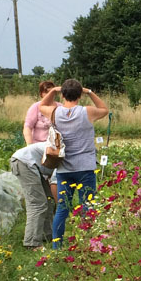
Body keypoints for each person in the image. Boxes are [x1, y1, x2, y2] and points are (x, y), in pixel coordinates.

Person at [38, 80, 109, 248]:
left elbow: (42, 105)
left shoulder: (55, 113)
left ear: (62, 95)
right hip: (85, 167)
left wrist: (53, 91)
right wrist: (90, 92)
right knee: (87, 206)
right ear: (79, 95)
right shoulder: (87, 112)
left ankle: (57, 246)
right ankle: (89, 243)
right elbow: (105, 109)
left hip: (64, 168)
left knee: (62, 208)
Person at [9, 141, 55, 249]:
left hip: (34, 165)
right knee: (37, 204)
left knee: (49, 200)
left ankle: (48, 236)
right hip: (24, 162)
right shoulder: (67, 157)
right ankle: (32, 243)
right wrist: (63, 206)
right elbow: (55, 183)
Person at [24, 81, 57, 145]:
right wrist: (30, 146)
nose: (49, 94)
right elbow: (27, 127)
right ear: (41, 94)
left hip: (56, 145)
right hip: (38, 144)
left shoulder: (60, 107)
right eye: (46, 92)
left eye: (52, 92)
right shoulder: (35, 107)